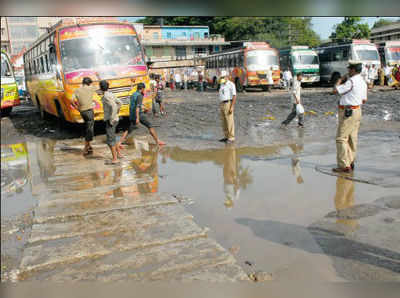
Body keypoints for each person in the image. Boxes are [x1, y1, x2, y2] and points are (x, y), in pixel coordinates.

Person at [332, 62, 367, 173]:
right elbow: (364, 100)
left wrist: (339, 80)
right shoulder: (362, 81)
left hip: (348, 111)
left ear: (352, 70)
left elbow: (335, 90)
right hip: (357, 110)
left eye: (349, 69)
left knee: (341, 138)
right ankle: (350, 161)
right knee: (352, 138)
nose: (347, 71)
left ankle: (343, 165)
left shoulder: (351, 81)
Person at [72, 77, 96, 155]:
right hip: (89, 111)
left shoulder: (77, 90)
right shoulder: (91, 88)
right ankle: (86, 148)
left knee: (88, 128)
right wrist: (98, 76)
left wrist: (77, 108)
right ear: (89, 83)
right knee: (90, 130)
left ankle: (89, 146)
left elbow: (72, 100)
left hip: (82, 111)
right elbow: (101, 86)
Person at [100, 80, 122, 164]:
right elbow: (120, 103)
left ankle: (115, 159)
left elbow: (113, 106)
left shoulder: (106, 96)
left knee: (110, 140)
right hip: (115, 118)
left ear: (101, 88)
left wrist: (112, 118)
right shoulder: (111, 94)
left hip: (111, 120)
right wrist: (116, 113)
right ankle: (119, 154)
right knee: (113, 137)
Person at [218, 70, 237, 143]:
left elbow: (234, 96)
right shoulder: (222, 84)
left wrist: (232, 106)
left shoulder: (231, 84)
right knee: (224, 121)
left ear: (227, 77)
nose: (222, 78)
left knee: (229, 121)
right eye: (221, 77)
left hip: (228, 103)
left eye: (223, 77)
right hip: (222, 103)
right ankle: (226, 136)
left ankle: (231, 137)